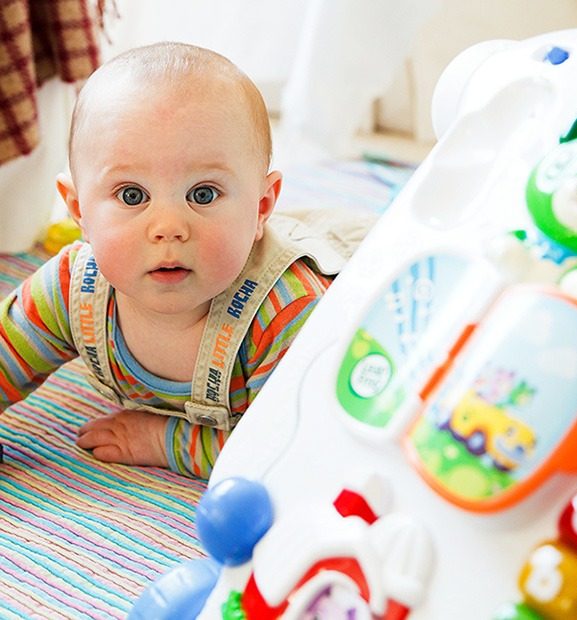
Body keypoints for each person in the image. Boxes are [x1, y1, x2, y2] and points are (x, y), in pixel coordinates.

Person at [0, 42, 370, 479]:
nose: (168, 227)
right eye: (132, 195)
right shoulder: (72, 289)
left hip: (366, 262)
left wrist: (162, 439)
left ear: (261, 206)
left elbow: (297, 449)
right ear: (80, 212)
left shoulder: (288, 313)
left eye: (203, 194)